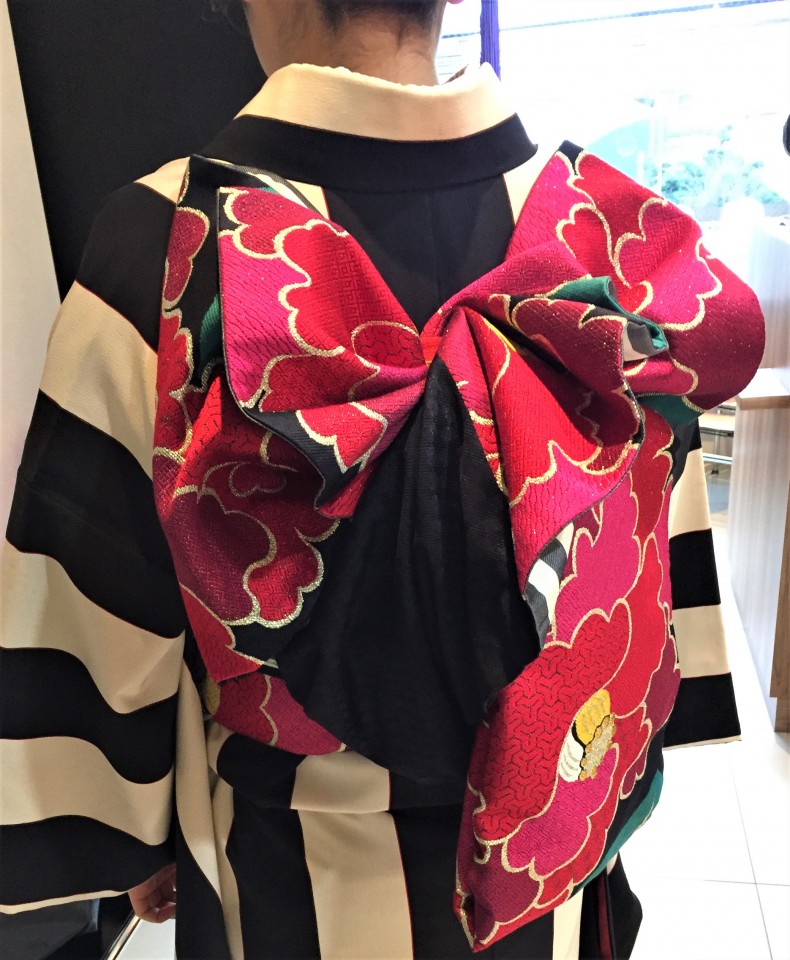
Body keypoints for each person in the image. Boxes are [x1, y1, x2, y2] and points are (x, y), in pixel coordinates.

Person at [0, 1, 764, 958]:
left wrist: (125, 834)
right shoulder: (604, 234)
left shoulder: (162, 247)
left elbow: (92, 605)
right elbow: (640, 590)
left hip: (288, 877)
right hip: (554, 861)